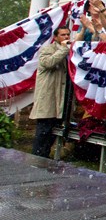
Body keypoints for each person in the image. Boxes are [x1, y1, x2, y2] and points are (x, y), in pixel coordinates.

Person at [30, 27, 71, 158]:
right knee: (43, 132)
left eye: (68, 34)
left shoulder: (70, 51)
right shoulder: (47, 49)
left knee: (53, 133)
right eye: (63, 35)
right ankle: (37, 159)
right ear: (56, 37)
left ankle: (44, 158)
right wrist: (64, 50)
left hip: (61, 100)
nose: (66, 37)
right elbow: (48, 63)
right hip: (48, 98)